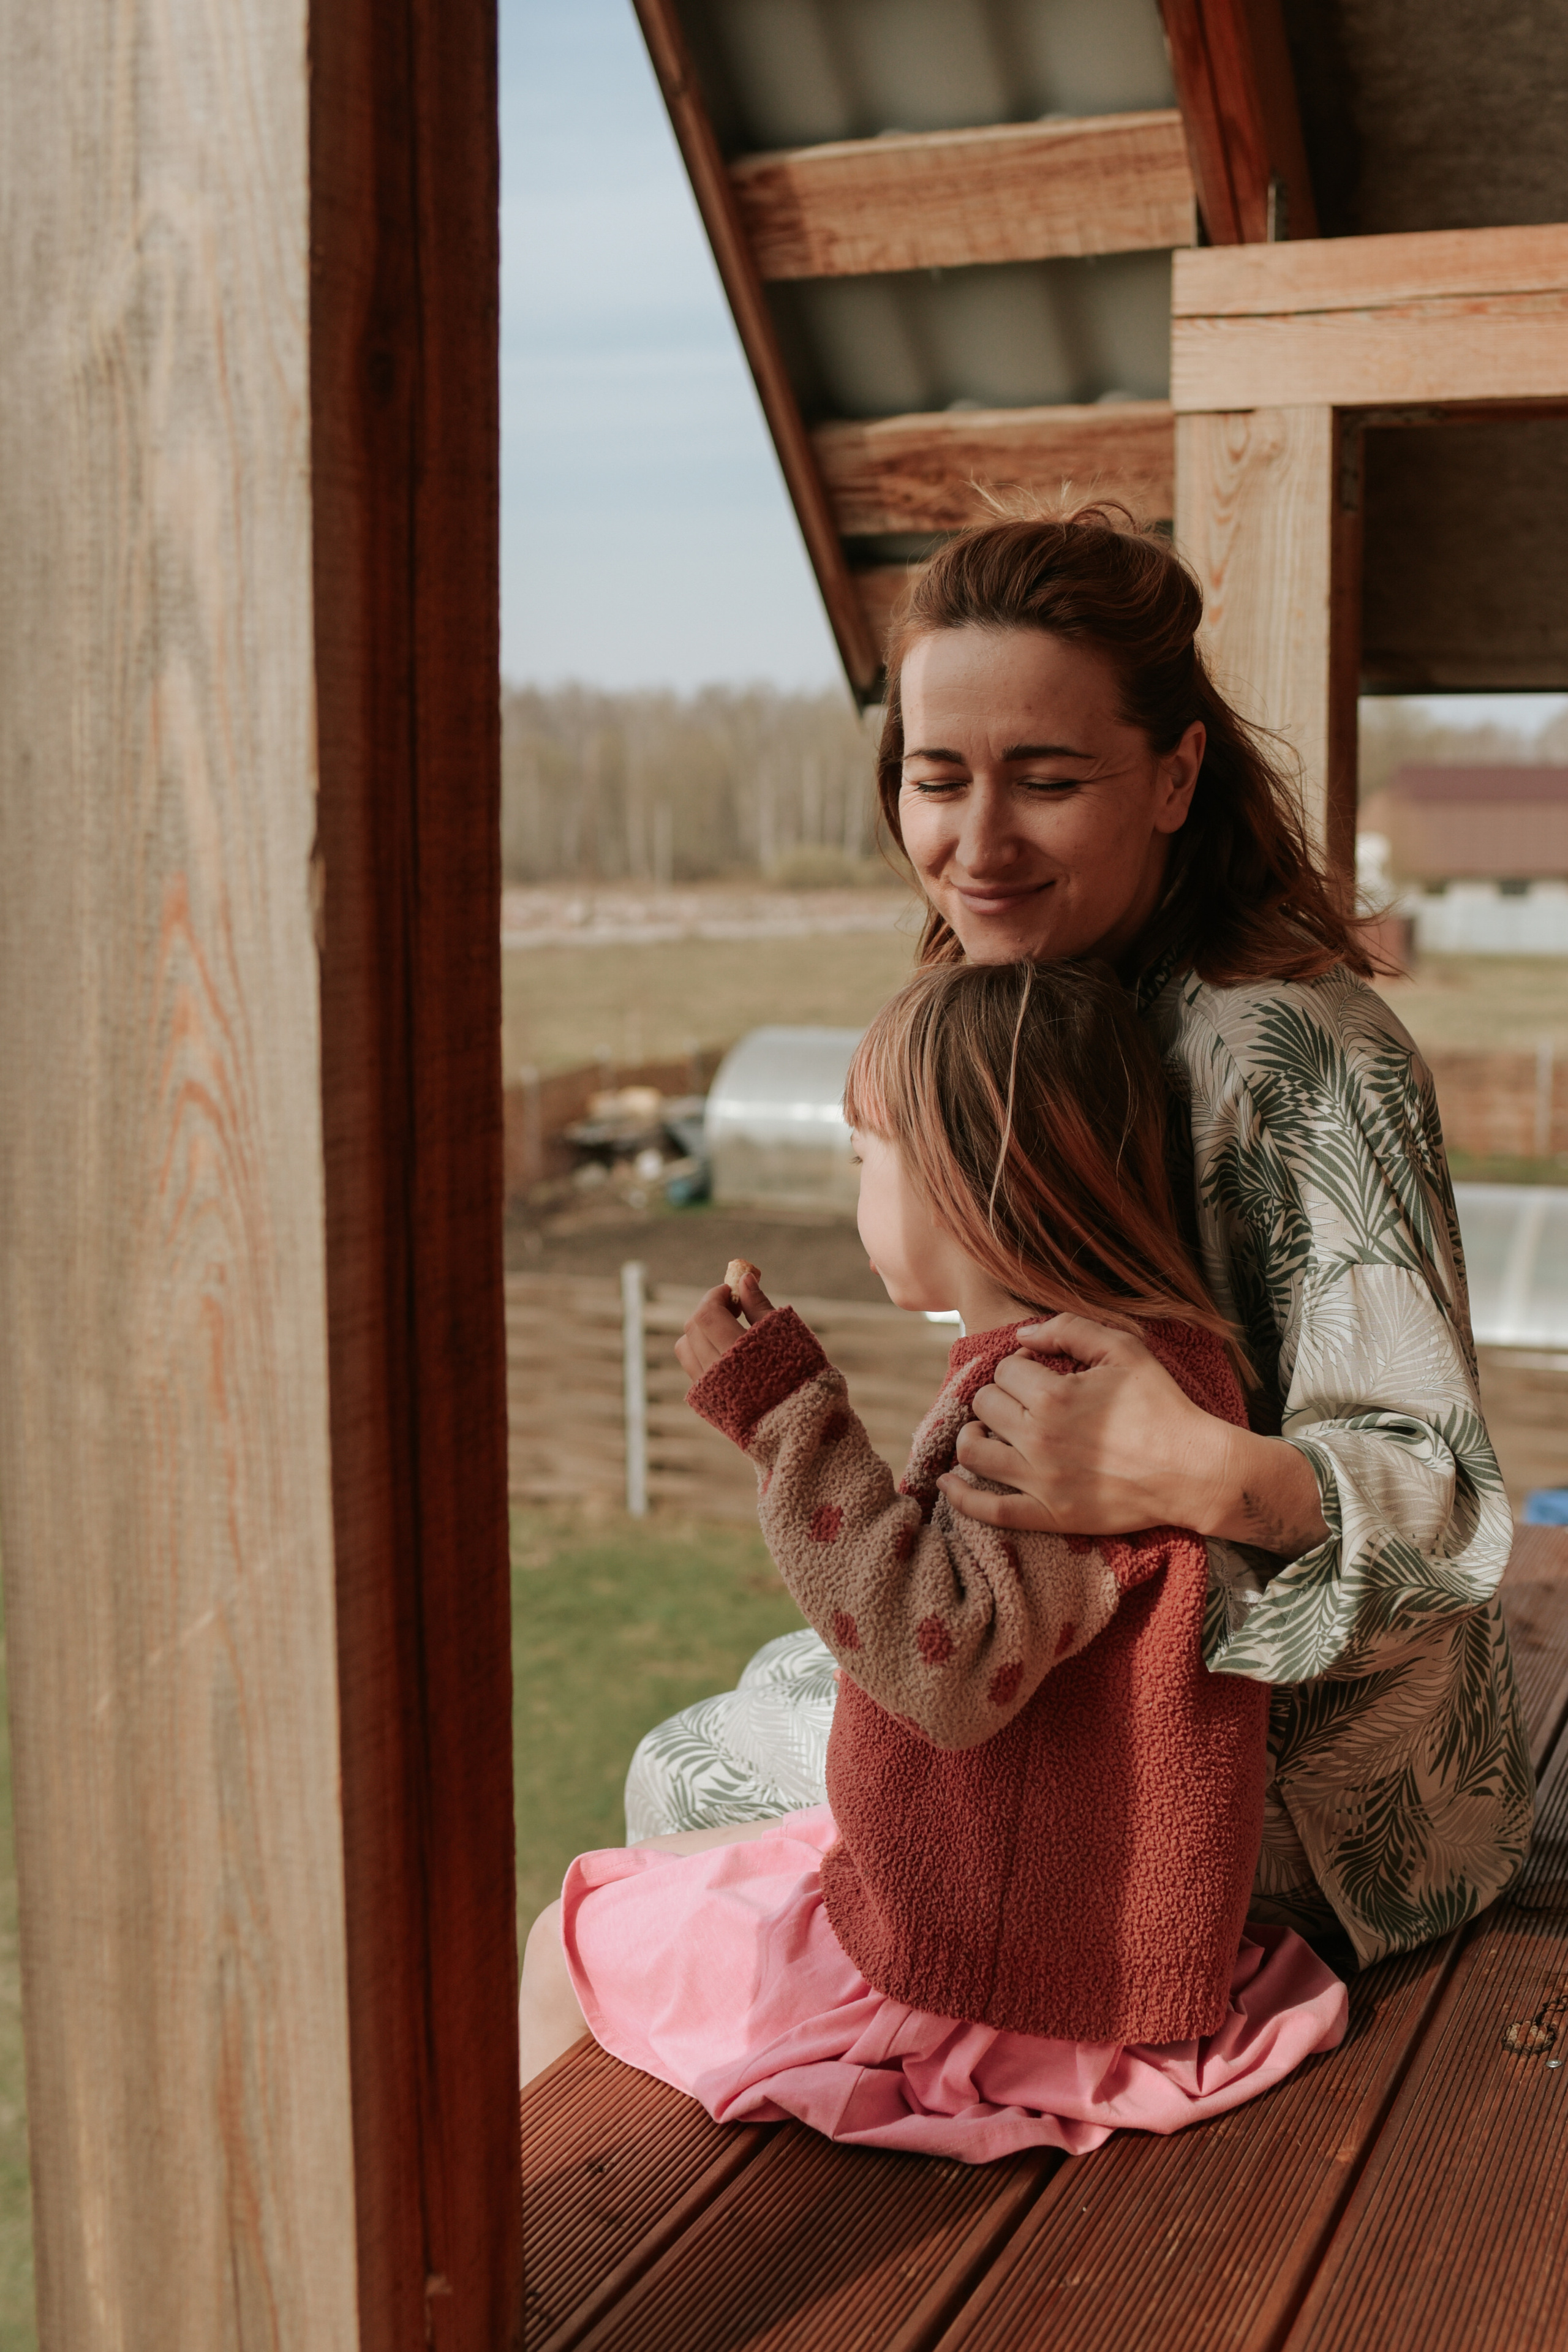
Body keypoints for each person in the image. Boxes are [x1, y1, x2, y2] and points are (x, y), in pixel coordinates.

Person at [624, 505, 1532, 1970]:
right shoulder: (1035, 991)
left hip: (1285, 1815)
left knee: (684, 1771)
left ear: (1174, 776)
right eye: (936, 779)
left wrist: (1200, 1470)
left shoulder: (1298, 1060)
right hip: (1083, 1681)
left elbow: (1444, 1514)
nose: (975, 843)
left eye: (1044, 781)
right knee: (784, 1678)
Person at [519, 961, 1348, 2152]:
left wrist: (785, 1420)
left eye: (865, 1162)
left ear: (964, 1187)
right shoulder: (1153, 1356)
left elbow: (944, 1664)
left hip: (995, 1987)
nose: (852, 1194)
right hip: (1053, 1925)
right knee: (649, 1862)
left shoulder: (1053, 1407)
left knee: (565, 1934)